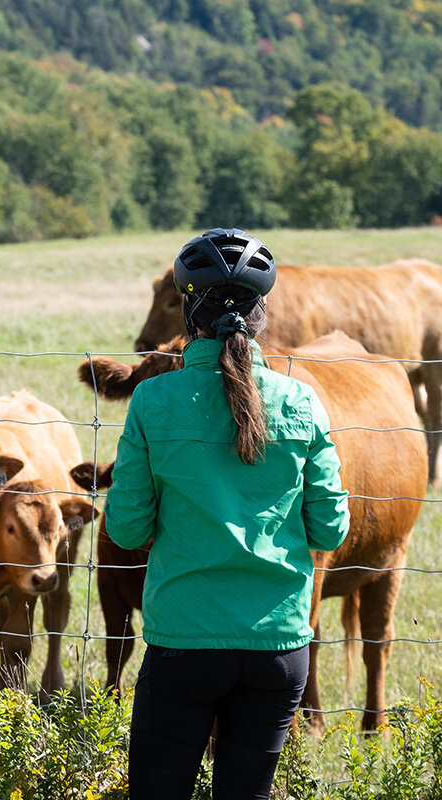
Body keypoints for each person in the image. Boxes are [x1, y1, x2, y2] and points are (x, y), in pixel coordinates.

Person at [105, 228, 350, 800]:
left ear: (187, 310)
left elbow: (126, 528)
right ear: (261, 312)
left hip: (183, 644)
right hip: (280, 648)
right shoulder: (303, 402)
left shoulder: (153, 401)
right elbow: (330, 528)